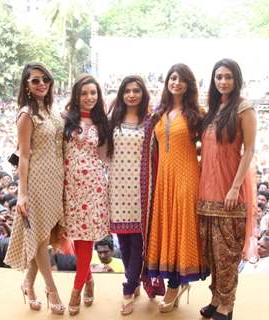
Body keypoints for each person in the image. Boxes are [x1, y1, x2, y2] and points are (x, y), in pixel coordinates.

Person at [3, 62, 65, 315]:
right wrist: (23, 193)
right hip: (37, 181)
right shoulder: (26, 114)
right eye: (35, 81)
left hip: (55, 180)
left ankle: (28, 283)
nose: (41, 84)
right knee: (39, 238)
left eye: (45, 79)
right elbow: (24, 156)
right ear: (26, 86)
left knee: (46, 236)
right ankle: (52, 291)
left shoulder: (50, 109)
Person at [198, 58, 256, 320]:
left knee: (227, 254)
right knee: (211, 252)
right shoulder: (212, 110)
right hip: (206, 193)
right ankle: (214, 298)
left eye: (228, 77)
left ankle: (226, 305)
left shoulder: (244, 108)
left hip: (230, 193)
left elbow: (249, 150)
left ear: (237, 79)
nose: (223, 81)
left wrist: (234, 188)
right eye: (219, 77)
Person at [143, 63, 203, 313]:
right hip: (163, 178)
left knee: (180, 229)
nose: (176, 82)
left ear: (189, 85)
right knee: (166, 228)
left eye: (182, 79)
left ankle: (175, 285)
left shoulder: (197, 113)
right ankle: (173, 283)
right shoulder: (159, 111)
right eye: (172, 78)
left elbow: (208, 146)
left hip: (187, 177)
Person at [63, 74, 112, 316]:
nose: (89, 97)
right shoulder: (65, 120)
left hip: (94, 189)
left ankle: (76, 289)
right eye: (84, 93)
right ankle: (89, 280)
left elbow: (105, 158)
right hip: (69, 187)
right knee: (76, 239)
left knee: (86, 241)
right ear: (77, 96)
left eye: (93, 93)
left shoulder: (103, 123)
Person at [108, 75, 150, 315]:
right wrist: (113, 100)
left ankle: (128, 287)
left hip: (141, 189)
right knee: (123, 241)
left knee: (138, 242)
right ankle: (132, 281)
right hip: (117, 186)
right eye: (127, 91)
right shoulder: (113, 118)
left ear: (143, 93)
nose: (132, 94)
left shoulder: (150, 119)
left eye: (136, 90)